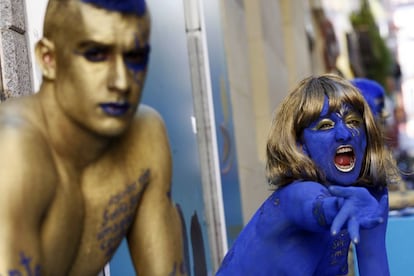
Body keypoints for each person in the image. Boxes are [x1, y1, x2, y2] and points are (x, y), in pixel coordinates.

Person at [0, 0, 187, 275]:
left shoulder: (144, 138)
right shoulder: (16, 151)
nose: (121, 82)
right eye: (96, 54)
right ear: (48, 59)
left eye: (134, 57)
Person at [216, 74, 396, 276]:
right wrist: (340, 207)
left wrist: (369, 217)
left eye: (352, 121)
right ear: (301, 146)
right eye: (325, 125)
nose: (344, 134)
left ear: (366, 137)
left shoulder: (369, 198)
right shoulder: (297, 193)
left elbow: (375, 265)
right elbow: (315, 206)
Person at [352, 77, 414, 210]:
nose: (385, 115)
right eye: (379, 109)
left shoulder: (378, 149)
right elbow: (369, 202)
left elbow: (396, 188)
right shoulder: (351, 154)